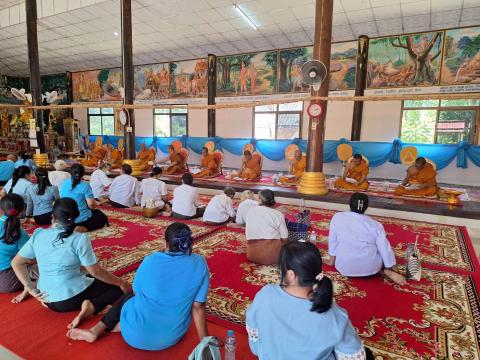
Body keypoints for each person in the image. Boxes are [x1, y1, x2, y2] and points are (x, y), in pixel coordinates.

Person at [66, 223, 210, 350]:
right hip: (170, 337)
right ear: (190, 243)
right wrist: (205, 343)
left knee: (129, 294)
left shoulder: (150, 260)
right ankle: (121, 326)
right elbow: (198, 306)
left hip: (132, 336)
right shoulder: (200, 263)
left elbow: (136, 292)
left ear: (165, 243)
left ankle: (98, 329)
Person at [11, 198, 129, 329]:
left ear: (52, 216)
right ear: (76, 217)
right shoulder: (79, 238)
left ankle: (88, 304)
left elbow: (16, 263)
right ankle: (92, 306)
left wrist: (31, 288)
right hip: (68, 299)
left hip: (46, 298)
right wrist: (121, 282)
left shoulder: (38, 234)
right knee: (117, 289)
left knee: (88, 277)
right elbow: (95, 271)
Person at [246, 242, 372, 360]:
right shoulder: (335, 314)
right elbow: (354, 355)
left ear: (291, 274)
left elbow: (255, 345)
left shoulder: (265, 295)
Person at [326, 193, 406, 286]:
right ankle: (386, 271)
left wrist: (331, 261)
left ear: (349, 204)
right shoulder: (375, 225)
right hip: (372, 268)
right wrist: (392, 267)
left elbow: (333, 241)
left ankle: (383, 270)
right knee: (378, 249)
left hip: (344, 267)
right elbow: (385, 248)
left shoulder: (338, 217)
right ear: (366, 207)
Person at [0, 194, 34, 301]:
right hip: (7, 281)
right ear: (21, 210)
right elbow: (30, 257)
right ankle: (31, 286)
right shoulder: (19, 232)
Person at [59, 163, 108, 232]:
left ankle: (70, 226)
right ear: (82, 174)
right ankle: (81, 228)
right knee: (102, 218)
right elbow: (91, 205)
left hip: (66, 217)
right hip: (80, 217)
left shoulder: (64, 183)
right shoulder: (85, 185)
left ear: (71, 173)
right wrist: (96, 204)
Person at [245, 190, 288, 265]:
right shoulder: (278, 214)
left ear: (260, 200)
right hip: (274, 257)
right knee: (293, 241)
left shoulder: (250, 211)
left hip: (252, 255)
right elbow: (285, 238)